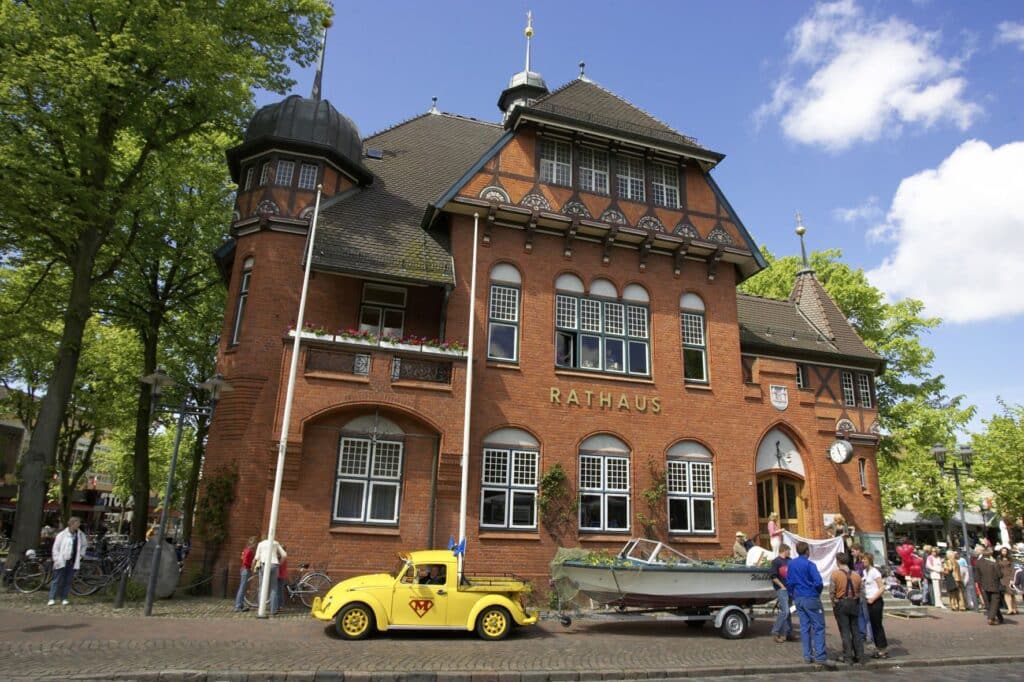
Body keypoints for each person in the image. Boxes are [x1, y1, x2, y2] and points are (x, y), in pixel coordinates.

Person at [787, 540, 830, 667]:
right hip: (811, 596)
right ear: (807, 551)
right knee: (818, 627)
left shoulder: (792, 564)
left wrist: (792, 594)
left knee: (804, 627)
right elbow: (818, 582)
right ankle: (820, 656)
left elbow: (789, 582)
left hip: (799, 597)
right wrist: (817, 592)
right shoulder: (810, 565)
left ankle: (807, 655)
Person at [829, 552, 864, 666]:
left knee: (845, 631)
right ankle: (860, 656)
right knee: (855, 630)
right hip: (854, 602)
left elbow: (832, 592)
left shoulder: (835, 575)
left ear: (838, 561)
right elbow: (861, 591)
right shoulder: (856, 575)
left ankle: (847, 657)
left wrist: (834, 603)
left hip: (842, 603)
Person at [48, 517, 87, 606]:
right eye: (77, 523)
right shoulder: (62, 535)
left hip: (72, 561)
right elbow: (56, 548)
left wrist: (81, 555)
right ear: (71, 524)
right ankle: (51, 598)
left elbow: (84, 545)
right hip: (62, 560)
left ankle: (64, 598)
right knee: (57, 580)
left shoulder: (80, 535)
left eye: (79, 523)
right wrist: (56, 559)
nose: (78, 525)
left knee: (68, 580)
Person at [861, 553, 889, 659]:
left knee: (877, 625)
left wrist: (874, 597)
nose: (863, 561)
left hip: (876, 601)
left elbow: (881, 587)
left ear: (870, 560)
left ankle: (883, 649)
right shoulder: (865, 572)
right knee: (873, 625)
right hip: (868, 601)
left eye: (865, 559)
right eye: (862, 559)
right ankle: (878, 648)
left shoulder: (874, 572)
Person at [254, 536, 287, 615]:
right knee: (274, 588)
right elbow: (284, 555)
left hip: (264, 564)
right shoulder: (275, 543)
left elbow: (257, 557)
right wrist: (279, 564)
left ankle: (261, 608)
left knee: (262, 587)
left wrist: (254, 566)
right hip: (274, 564)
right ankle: (273, 610)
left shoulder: (261, 544)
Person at [974, 547, 1004, 625]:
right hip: (994, 585)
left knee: (991, 603)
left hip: (984, 585)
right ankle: (991, 618)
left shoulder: (978, 562)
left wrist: (980, 584)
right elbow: (999, 575)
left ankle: (1000, 618)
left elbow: (977, 576)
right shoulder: (993, 563)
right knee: (995, 601)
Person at [769, 543, 793, 643]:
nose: (790, 552)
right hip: (781, 589)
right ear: (784, 550)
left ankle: (788, 633)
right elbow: (773, 576)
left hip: (790, 589)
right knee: (785, 611)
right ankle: (775, 631)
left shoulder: (790, 561)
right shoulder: (776, 562)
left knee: (788, 612)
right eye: (789, 551)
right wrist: (782, 586)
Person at [234, 536, 257, 612]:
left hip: (243, 569)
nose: (255, 545)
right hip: (246, 569)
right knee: (242, 588)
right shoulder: (249, 551)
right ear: (252, 543)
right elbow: (245, 561)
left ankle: (241, 604)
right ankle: (238, 606)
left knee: (243, 588)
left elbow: (242, 557)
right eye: (255, 543)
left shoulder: (245, 550)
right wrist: (251, 566)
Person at [998, 546, 1018, 615]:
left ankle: (1015, 608)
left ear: (1007, 552)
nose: (1004, 552)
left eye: (1005, 551)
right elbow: (997, 568)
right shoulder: (998, 559)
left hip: (1010, 577)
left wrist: (1012, 579)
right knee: (1006, 593)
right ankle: (1010, 609)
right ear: (1001, 552)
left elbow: (1013, 569)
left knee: (1012, 594)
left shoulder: (1010, 559)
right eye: (1003, 551)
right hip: (1003, 578)